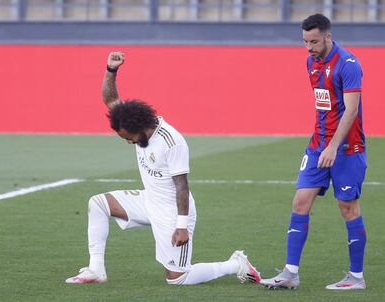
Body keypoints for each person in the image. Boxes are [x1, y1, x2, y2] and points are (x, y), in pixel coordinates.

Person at [65, 51, 261, 285]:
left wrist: (181, 227)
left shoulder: (172, 142)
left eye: (129, 138)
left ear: (139, 127)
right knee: (97, 203)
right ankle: (96, 270)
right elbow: (110, 100)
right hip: (149, 201)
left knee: (177, 279)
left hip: (172, 212)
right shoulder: (133, 124)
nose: (129, 142)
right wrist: (111, 70)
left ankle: (235, 264)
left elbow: (182, 187)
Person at [260, 13, 367, 290]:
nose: (309, 47)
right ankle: (290, 274)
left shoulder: (348, 64)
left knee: (348, 207)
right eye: (305, 41)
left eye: (314, 41)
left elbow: (351, 109)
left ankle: (356, 278)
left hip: (347, 148)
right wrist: (322, 143)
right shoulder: (311, 62)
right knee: (300, 201)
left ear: (328, 36)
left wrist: (334, 145)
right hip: (318, 146)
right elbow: (324, 106)